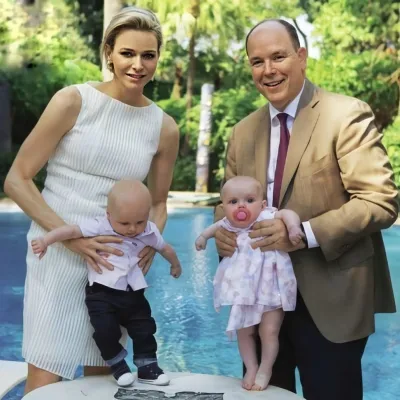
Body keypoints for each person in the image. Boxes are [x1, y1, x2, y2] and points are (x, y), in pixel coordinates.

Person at [214, 19, 398, 400]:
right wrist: (222, 232)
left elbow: (379, 200)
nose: (268, 70)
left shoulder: (345, 114)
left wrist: (303, 234)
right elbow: (226, 204)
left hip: (331, 296)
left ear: (301, 56)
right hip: (259, 298)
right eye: (257, 61)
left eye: (278, 57)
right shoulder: (241, 132)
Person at [4, 6, 179, 395]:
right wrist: (72, 240)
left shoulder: (164, 127)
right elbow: (17, 179)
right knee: (45, 376)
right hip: (58, 253)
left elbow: (158, 204)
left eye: (148, 55)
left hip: (114, 265)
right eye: (127, 53)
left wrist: (148, 246)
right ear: (109, 53)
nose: (137, 64)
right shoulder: (73, 101)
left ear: (158, 59)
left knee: (103, 379)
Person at [31, 180, 182, 387]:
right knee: (105, 330)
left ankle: (147, 367)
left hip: (133, 292)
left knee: (144, 328)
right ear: (109, 215)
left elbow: (165, 248)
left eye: (139, 222)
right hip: (101, 293)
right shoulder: (100, 225)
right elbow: (70, 231)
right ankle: (118, 365)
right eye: (124, 223)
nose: (132, 229)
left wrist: (175, 265)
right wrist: (46, 240)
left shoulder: (149, 230)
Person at [196, 176, 300, 390]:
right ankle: (251, 367)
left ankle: (265, 368)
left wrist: (293, 227)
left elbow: (287, 213)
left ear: (262, 204)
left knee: (268, 331)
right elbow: (211, 230)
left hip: (271, 288)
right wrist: (202, 238)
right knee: (244, 331)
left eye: (249, 200)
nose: (241, 206)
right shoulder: (228, 224)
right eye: (233, 202)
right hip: (243, 292)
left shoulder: (266, 216)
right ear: (224, 207)